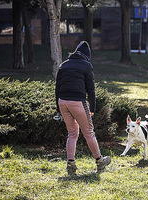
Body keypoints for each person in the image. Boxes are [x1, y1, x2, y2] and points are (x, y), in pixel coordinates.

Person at [55, 41, 111, 173]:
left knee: (72, 133)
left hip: (62, 102)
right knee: (89, 133)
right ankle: (100, 161)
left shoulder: (63, 65)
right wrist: (92, 109)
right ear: (87, 56)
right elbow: (91, 90)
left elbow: (57, 89)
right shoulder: (86, 65)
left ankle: (71, 164)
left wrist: (58, 109)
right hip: (78, 102)